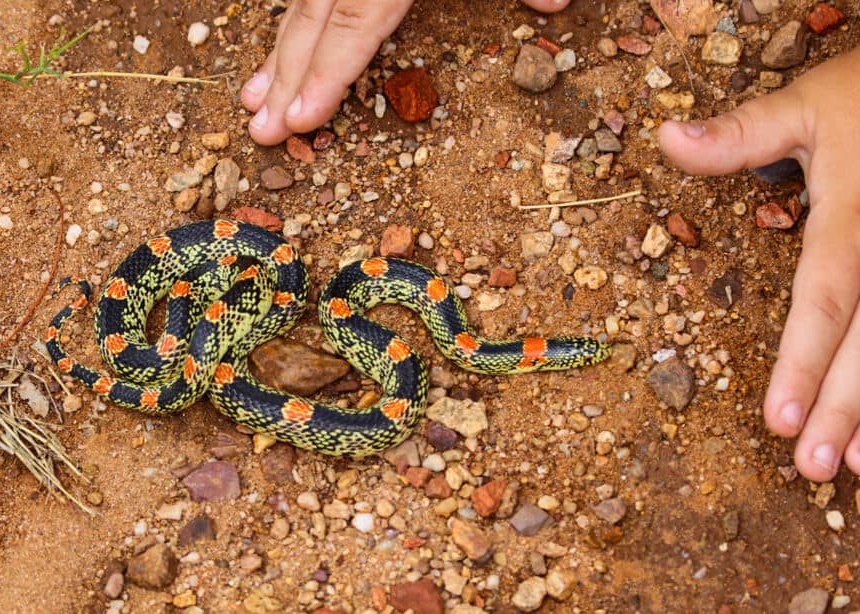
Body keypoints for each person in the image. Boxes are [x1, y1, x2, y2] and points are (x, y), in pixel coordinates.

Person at [239, 0, 860, 484]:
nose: (587, 353)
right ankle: (200, 365)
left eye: (578, 351)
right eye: (576, 352)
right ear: (536, 357)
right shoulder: (404, 316)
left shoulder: (459, 341)